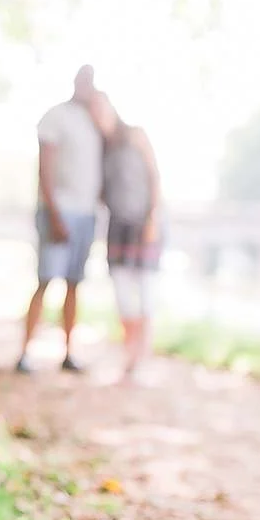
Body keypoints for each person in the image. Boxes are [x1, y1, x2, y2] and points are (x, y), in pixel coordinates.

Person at [17, 65, 103, 374]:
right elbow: (46, 167)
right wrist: (54, 213)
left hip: (86, 213)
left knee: (74, 285)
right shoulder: (56, 117)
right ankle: (24, 353)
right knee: (44, 282)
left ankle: (68, 353)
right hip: (59, 211)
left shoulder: (95, 122)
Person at [89, 91, 163, 383]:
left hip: (143, 222)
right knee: (123, 296)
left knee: (145, 293)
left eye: (100, 108)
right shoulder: (102, 148)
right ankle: (130, 352)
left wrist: (153, 217)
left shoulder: (135, 135)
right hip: (117, 225)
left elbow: (154, 175)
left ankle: (139, 358)